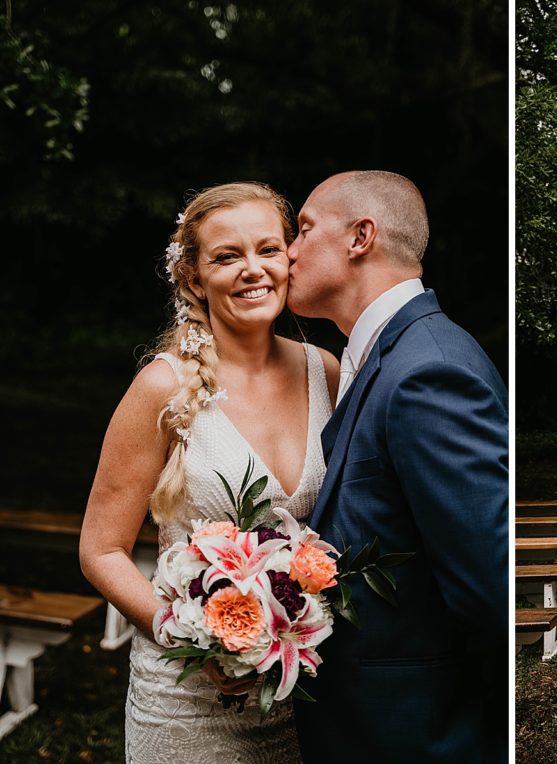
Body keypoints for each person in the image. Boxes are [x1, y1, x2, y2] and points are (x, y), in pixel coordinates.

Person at [79, 182, 340, 762]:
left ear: (290, 258)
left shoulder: (325, 371)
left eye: (268, 249)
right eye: (227, 256)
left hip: (304, 697)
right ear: (194, 279)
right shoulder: (163, 388)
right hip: (187, 706)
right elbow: (101, 550)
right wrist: (186, 637)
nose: (253, 270)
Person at [285, 170, 508, 763]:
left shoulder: (429, 372)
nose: (289, 251)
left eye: (304, 229)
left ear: (361, 237)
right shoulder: (373, 358)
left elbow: (490, 592)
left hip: (422, 736)